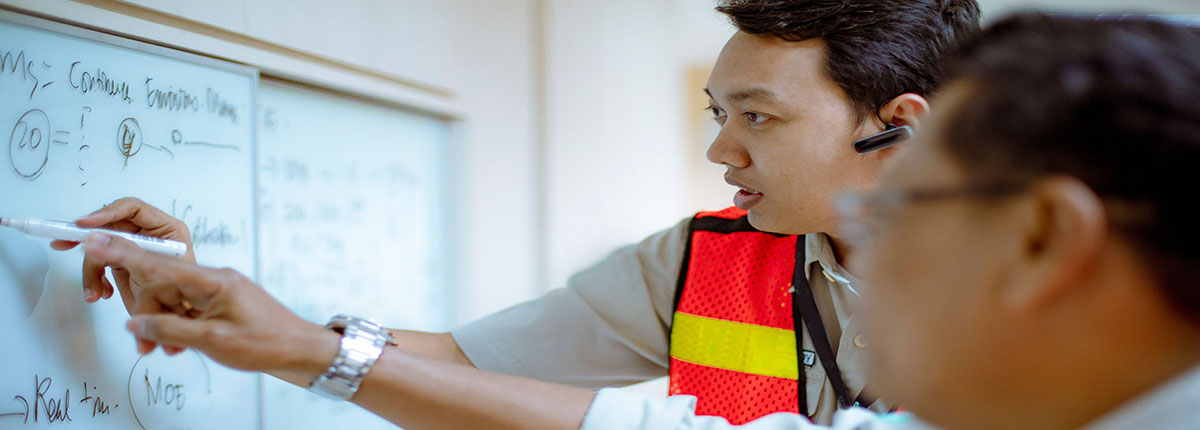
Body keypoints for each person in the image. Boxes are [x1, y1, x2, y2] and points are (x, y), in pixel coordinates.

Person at [69, 10, 1200, 430]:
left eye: (756, 115)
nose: (721, 150)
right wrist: (280, 322)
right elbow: (472, 362)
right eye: (719, 113)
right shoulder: (703, 259)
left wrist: (319, 356)